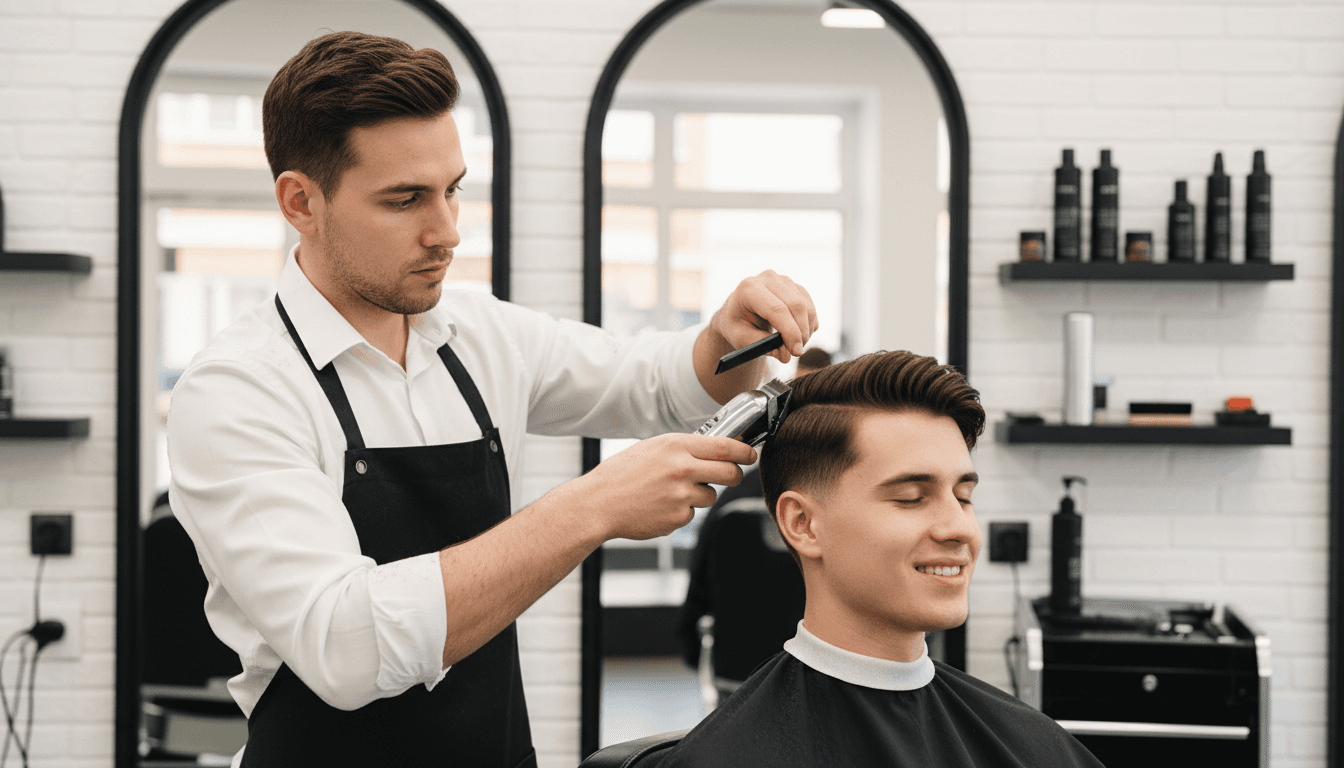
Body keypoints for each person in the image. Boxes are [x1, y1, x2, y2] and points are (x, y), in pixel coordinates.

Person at [166, 31, 818, 768]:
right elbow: (346, 647)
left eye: (452, 190)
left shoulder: (479, 336)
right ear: (301, 202)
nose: (447, 232)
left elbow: (656, 382)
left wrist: (726, 338)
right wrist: (592, 508)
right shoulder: (238, 390)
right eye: (405, 199)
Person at [647, 351, 1105, 768]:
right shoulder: (723, 757)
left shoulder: (1035, 745)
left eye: (964, 497)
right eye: (911, 498)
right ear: (802, 523)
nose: (960, 528)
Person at [676, 348, 832, 692]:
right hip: (819, 677)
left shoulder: (732, 502)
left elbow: (697, 590)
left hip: (740, 674)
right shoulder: (841, 507)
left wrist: (691, 646)